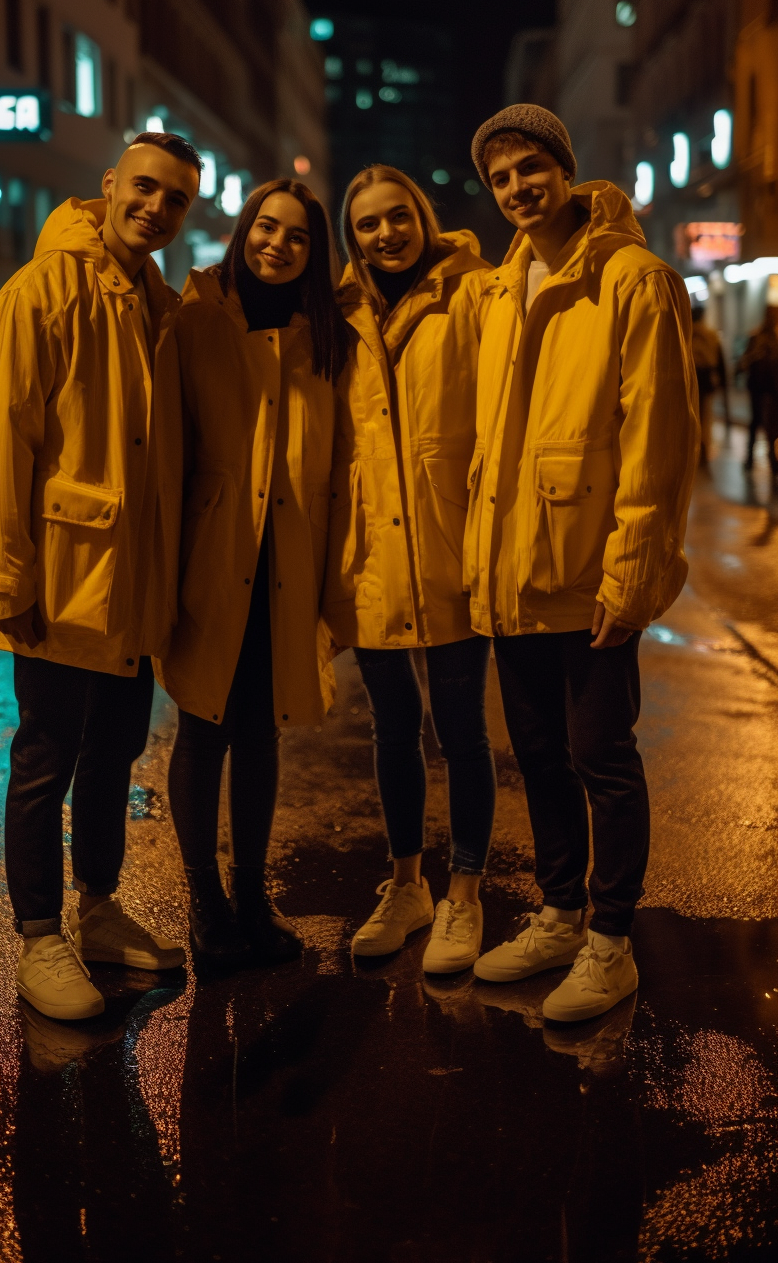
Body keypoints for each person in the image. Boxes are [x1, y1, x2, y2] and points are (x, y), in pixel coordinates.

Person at [465, 104, 699, 1021]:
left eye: (533, 168)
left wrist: (635, 572)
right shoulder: (500, 287)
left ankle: (610, 942)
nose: (519, 187)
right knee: (538, 754)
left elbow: (660, 440)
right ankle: (560, 913)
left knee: (602, 752)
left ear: (565, 170)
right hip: (513, 565)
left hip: (588, 567)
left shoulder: (635, 280)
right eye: (502, 177)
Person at [0, 131, 201, 1020]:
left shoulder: (160, 304)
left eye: (174, 199)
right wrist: (4, 578)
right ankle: (37, 935)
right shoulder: (43, 289)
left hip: (132, 583)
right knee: (45, 758)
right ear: (109, 185)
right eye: (143, 188)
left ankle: (98, 909)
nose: (154, 207)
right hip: (65, 580)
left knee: (113, 756)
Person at [158, 179, 351, 967]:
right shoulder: (198, 321)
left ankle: (249, 896)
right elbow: (168, 454)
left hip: (286, 567)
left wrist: (333, 596)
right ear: (244, 232)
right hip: (212, 558)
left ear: (313, 252)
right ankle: (204, 902)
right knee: (204, 726)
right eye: (266, 227)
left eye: (297, 235)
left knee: (261, 733)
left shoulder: (326, 338)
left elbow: (338, 469)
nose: (277, 243)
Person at [322, 165, 497, 974]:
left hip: (453, 544)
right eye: (367, 224)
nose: (385, 234)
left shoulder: (476, 294)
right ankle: (405, 885)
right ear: (350, 237)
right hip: (374, 555)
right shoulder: (339, 313)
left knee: (462, 732)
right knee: (392, 728)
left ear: (423, 217)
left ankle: (464, 893)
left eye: (399, 216)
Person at [736, 302, 778, 474]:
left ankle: (753, 460)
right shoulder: (765, 338)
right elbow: (745, 361)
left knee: (761, 423)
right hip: (767, 389)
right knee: (767, 425)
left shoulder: (761, 337)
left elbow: (744, 362)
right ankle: (768, 462)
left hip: (762, 388)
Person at [690, 304, 727, 465]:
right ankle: (703, 449)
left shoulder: (685, 333)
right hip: (706, 379)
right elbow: (720, 362)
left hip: (691, 379)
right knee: (706, 417)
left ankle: (692, 449)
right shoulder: (711, 335)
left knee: (691, 415)